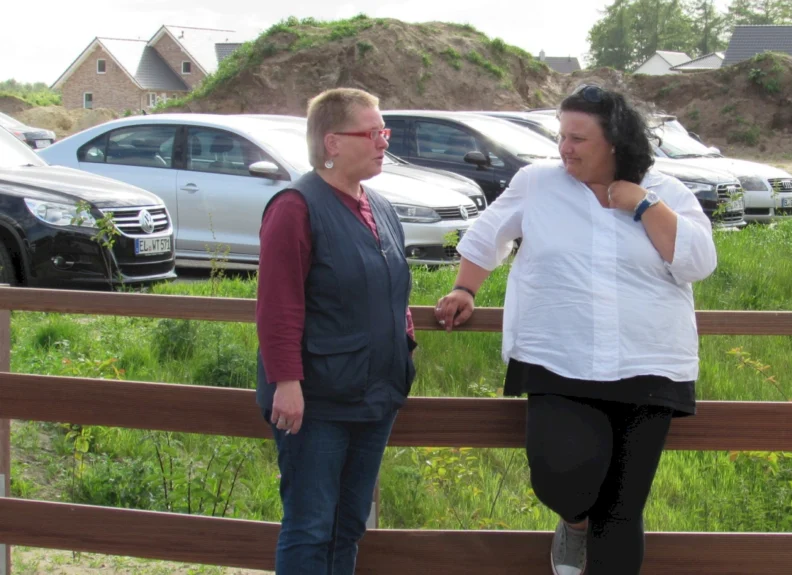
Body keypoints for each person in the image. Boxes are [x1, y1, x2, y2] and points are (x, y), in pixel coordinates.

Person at [434, 84, 717, 575]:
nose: (565, 148)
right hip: (557, 356)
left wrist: (644, 205)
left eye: (578, 138)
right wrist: (465, 289)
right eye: (562, 136)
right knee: (560, 478)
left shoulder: (667, 192)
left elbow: (697, 262)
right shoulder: (538, 183)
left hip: (649, 363)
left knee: (622, 509)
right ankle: (574, 523)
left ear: (615, 141)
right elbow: (486, 235)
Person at [255, 87, 417, 575]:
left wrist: (403, 344)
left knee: (348, 525)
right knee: (310, 527)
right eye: (372, 133)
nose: (383, 142)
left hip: (375, 395)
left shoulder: (379, 206)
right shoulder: (295, 207)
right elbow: (277, 305)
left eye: (384, 132)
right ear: (332, 142)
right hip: (316, 401)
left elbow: (391, 288)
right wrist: (286, 383)